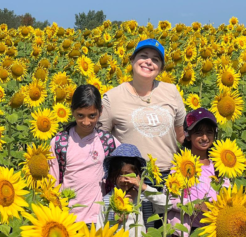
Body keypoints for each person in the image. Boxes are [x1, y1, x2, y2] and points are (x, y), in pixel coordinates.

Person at [99, 39, 186, 177]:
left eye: (155, 59)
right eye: (143, 56)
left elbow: (181, 136)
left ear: (161, 68)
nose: (149, 62)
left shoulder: (171, 92)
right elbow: (100, 142)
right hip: (129, 178)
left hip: (170, 176)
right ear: (132, 60)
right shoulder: (112, 97)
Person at [49, 84, 120, 225]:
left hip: (99, 219)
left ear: (100, 111)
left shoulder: (108, 142)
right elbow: (52, 183)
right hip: (67, 219)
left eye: (92, 116)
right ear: (72, 111)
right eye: (80, 115)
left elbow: (124, 169)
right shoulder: (59, 143)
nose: (86, 122)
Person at [168, 108, 229, 236]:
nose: (205, 137)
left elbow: (227, 193)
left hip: (213, 230)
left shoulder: (218, 166)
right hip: (188, 229)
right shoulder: (181, 165)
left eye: (209, 132)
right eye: (199, 133)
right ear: (188, 136)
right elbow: (170, 200)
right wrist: (194, 206)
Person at [96, 143, 169, 236]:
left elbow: (167, 205)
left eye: (128, 174)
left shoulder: (145, 198)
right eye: (119, 174)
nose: (123, 179)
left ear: (138, 175)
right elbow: (100, 229)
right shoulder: (107, 200)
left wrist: (143, 187)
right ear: (112, 175)